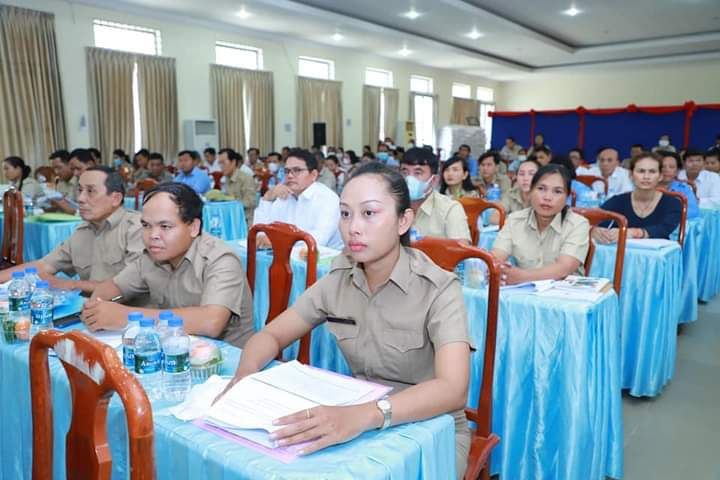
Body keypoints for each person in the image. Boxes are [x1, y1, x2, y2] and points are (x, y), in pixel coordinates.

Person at [217, 162, 472, 477]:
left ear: (404, 220)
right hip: (358, 417)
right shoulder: (338, 279)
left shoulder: (439, 288)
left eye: (369, 213)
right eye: (345, 213)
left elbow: (452, 389)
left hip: (430, 428)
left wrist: (365, 416)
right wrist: (244, 378)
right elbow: (270, 336)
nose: (353, 228)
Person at [84, 183, 254, 347]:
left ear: (194, 227)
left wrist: (126, 316)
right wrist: (98, 308)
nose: (153, 235)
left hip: (225, 360)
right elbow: (112, 289)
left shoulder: (220, 259)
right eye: (146, 226)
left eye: (165, 226)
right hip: (174, 349)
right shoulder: (152, 255)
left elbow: (211, 322)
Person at [0, 166, 144, 293]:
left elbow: (129, 287)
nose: (80, 198)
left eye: (90, 191)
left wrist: (72, 284)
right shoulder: (83, 231)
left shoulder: (136, 229)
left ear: (115, 199)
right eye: (80, 190)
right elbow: (44, 265)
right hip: (87, 308)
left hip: (128, 313)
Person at [491, 164, 590, 285]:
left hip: (565, 297)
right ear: (531, 191)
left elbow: (564, 268)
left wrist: (521, 276)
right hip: (523, 294)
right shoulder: (514, 220)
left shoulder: (578, 224)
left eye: (557, 191)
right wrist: (499, 268)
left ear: (567, 197)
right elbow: (496, 257)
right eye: (541, 189)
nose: (547, 197)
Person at [253, 148, 343, 249]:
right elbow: (259, 231)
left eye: (297, 170)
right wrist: (267, 198)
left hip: (325, 260)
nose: (290, 176)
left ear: (313, 175)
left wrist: (276, 240)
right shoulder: (285, 195)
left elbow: (317, 240)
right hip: (287, 256)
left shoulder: (327, 199)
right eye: (287, 171)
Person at [594, 152, 682, 242]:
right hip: (621, 253)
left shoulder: (673, 203)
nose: (646, 177)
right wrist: (593, 230)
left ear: (660, 176)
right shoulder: (618, 201)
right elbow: (591, 219)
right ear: (631, 175)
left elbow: (664, 229)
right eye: (641, 171)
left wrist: (633, 233)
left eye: (652, 171)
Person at [400, 147, 471, 242]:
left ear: (433, 180)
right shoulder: (391, 205)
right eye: (405, 172)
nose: (409, 178)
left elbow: (461, 251)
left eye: (418, 173)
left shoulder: (450, 209)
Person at [218, 148, 257, 224]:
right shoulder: (226, 178)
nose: (221, 167)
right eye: (219, 163)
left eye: (223, 163)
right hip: (230, 218)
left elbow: (250, 202)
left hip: (244, 221)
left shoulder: (245, 178)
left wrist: (229, 203)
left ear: (233, 162)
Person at [658, 151, 700, 219]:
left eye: (671, 167)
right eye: (662, 167)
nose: (666, 170)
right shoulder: (646, 187)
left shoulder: (684, 189)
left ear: (677, 171)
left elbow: (693, 212)